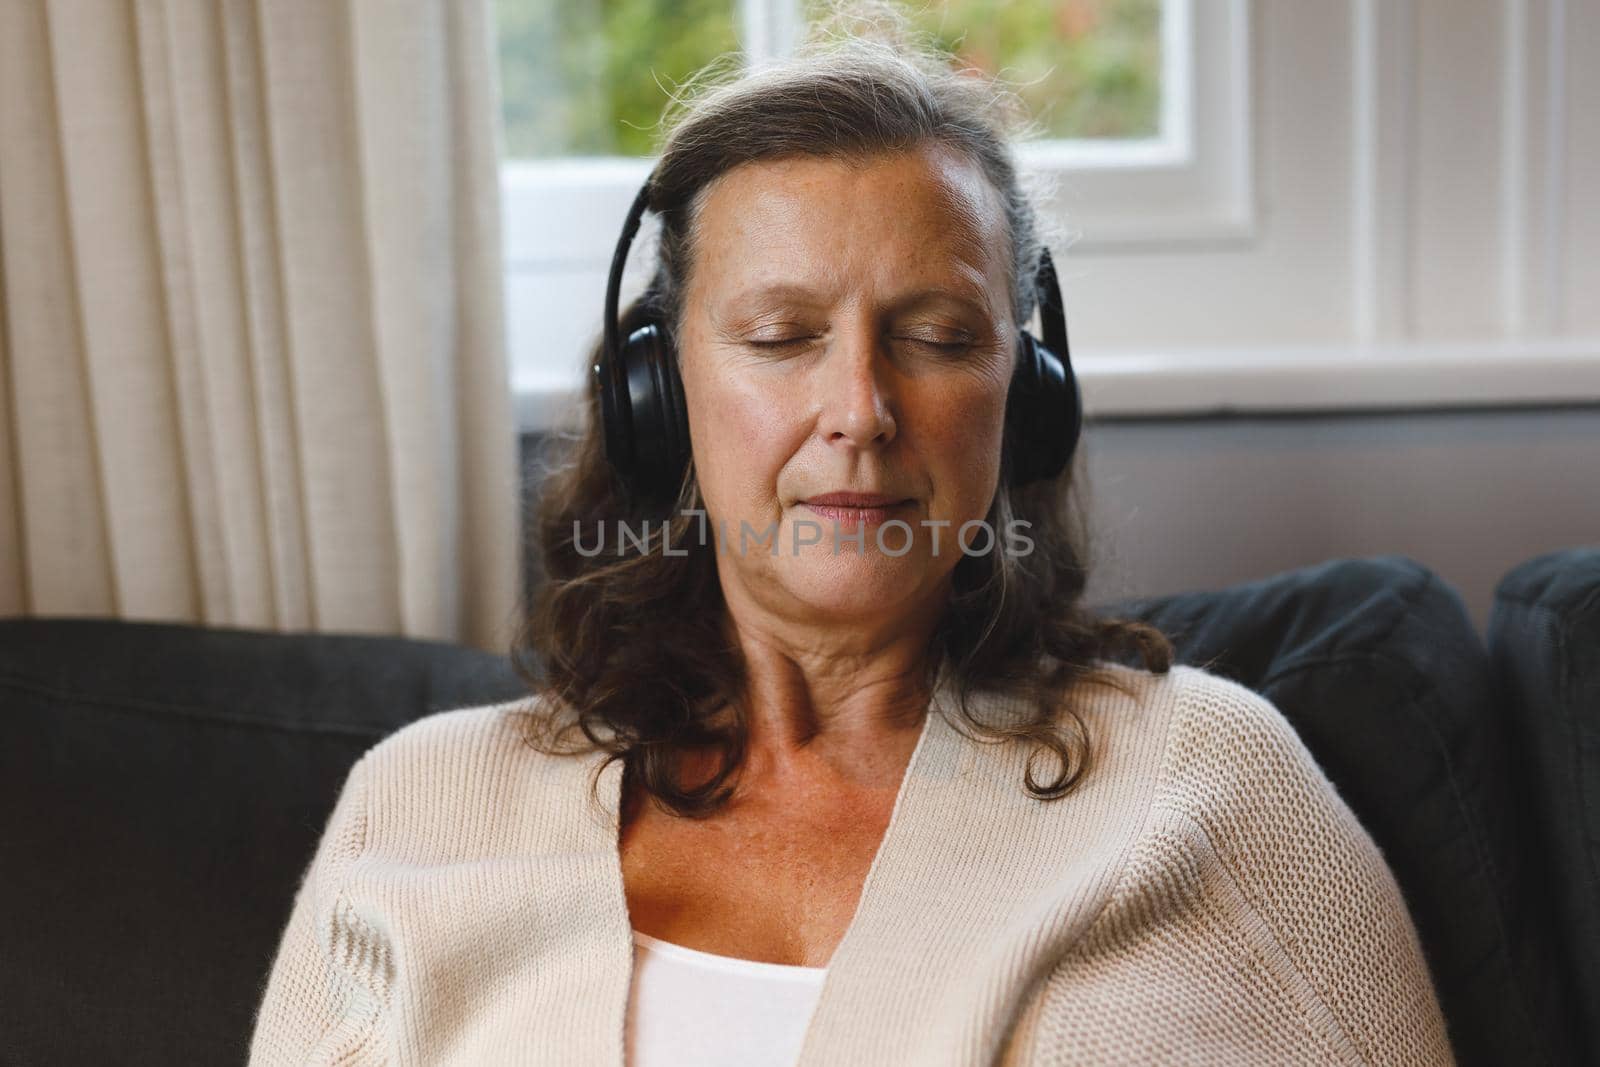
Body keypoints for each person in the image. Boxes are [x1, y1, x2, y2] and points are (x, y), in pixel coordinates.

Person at [248, 4, 1455, 1064]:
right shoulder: (420, 804)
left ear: (1022, 398)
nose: (861, 411)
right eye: (781, 335)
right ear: (658, 396)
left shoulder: (1206, 785)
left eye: (933, 335)